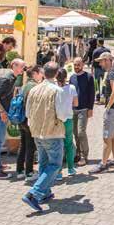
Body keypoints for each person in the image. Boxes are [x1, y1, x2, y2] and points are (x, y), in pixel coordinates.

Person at [21, 62, 72, 212]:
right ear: (56, 74)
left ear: (44, 72)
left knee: (44, 163)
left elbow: (27, 112)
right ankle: (34, 193)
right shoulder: (57, 90)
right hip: (52, 131)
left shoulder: (34, 89)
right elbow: (62, 114)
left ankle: (44, 192)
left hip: (36, 131)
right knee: (55, 164)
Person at [0, 58, 26, 179]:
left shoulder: (13, 78)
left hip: (1, 114)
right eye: (21, 66)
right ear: (14, 66)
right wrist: (2, 111)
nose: (23, 69)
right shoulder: (6, 79)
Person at [90, 52, 114, 174]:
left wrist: (108, 107)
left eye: (101, 61)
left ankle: (103, 164)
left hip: (113, 110)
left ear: (107, 60)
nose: (99, 63)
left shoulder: (111, 74)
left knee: (106, 138)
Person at [17, 65, 43, 182]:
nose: (42, 76)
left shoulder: (25, 85)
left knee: (23, 145)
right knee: (30, 146)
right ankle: (29, 172)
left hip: (21, 118)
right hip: (29, 119)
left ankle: (19, 171)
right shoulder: (34, 86)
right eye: (40, 73)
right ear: (35, 73)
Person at [70, 57, 94, 167]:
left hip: (84, 109)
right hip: (73, 110)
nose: (76, 67)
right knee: (75, 133)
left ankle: (85, 155)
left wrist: (90, 108)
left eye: (78, 64)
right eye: (75, 65)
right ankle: (78, 153)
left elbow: (92, 94)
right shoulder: (72, 77)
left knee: (81, 132)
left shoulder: (89, 77)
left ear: (83, 65)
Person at [55, 68, 78, 180]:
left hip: (57, 120)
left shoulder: (54, 89)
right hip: (68, 119)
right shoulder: (72, 88)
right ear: (66, 77)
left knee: (58, 146)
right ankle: (70, 168)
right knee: (68, 145)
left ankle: (58, 172)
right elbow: (76, 103)